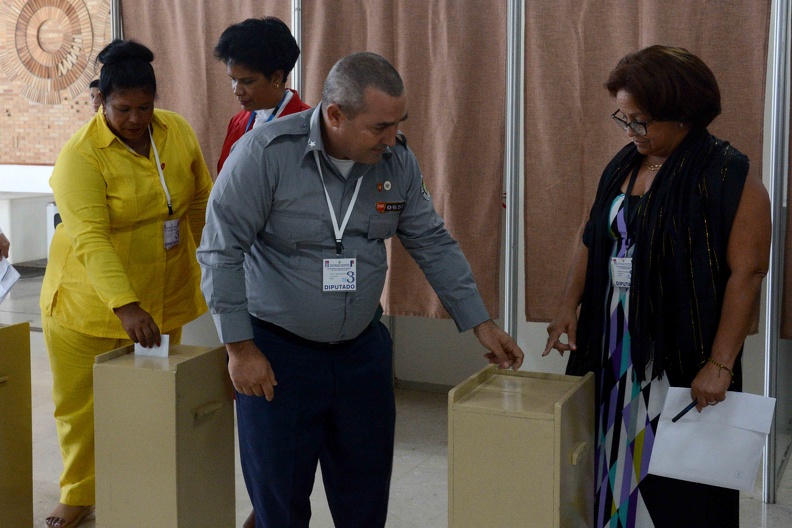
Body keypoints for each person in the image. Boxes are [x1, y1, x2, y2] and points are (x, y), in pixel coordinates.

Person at [197, 51, 524, 528]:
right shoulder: (266, 155)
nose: (391, 139)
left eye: (398, 124)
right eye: (378, 127)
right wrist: (239, 348)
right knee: (280, 502)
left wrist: (480, 321)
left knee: (365, 497)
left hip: (361, 357)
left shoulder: (396, 162)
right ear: (335, 115)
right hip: (278, 357)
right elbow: (219, 252)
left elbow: (431, 240)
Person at [543, 45, 771, 528]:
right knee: (607, 467)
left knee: (678, 484)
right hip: (612, 348)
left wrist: (721, 363)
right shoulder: (625, 164)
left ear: (684, 116)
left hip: (680, 355)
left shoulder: (729, 175)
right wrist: (569, 304)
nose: (630, 132)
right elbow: (593, 237)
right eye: (622, 120)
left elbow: (747, 275)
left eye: (640, 122)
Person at [40, 39, 212, 528]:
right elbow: (91, 239)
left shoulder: (175, 131)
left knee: (153, 402)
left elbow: (199, 199)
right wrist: (126, 305)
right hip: (88, 305)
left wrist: (217, 262)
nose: (134, 119)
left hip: (164, 294)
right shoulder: (81, 156)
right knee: (81, 408)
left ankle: (144, 486)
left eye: (144, 107)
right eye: (122, 109)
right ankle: (78, 493)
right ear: (100, 101)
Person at [214, 17, 310, 177]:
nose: (237, 91)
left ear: (276, 78)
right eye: (233, 79)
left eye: (247, 81)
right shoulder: (238, 122)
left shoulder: (307, 126)